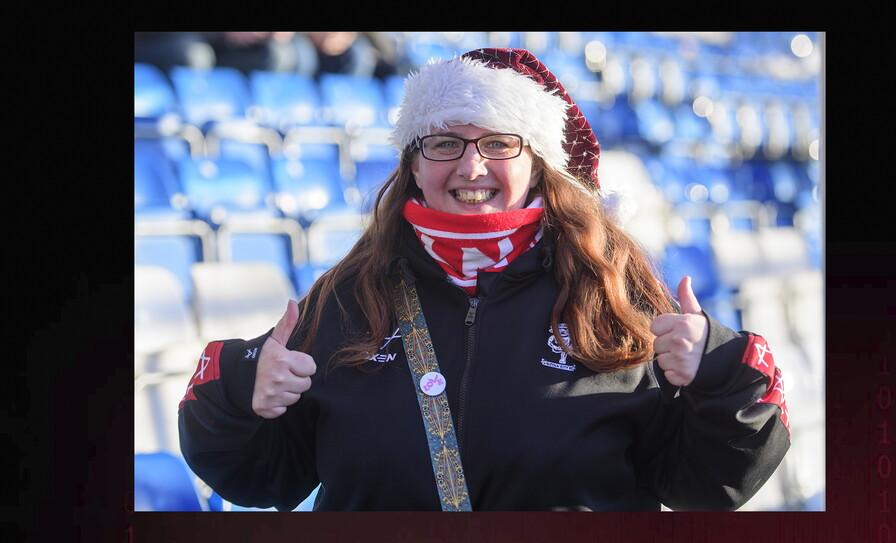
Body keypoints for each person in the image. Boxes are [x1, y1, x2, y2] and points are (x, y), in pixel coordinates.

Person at [178, 47, 790, 511]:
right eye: (445, 142)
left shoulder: (612, 291)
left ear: (537, 165)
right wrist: (240, 395)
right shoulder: (347, 296)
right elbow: (265, 478)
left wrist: (722, 376)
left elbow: (703, 487)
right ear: (414, 166)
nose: (472, 165)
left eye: (499, 142)